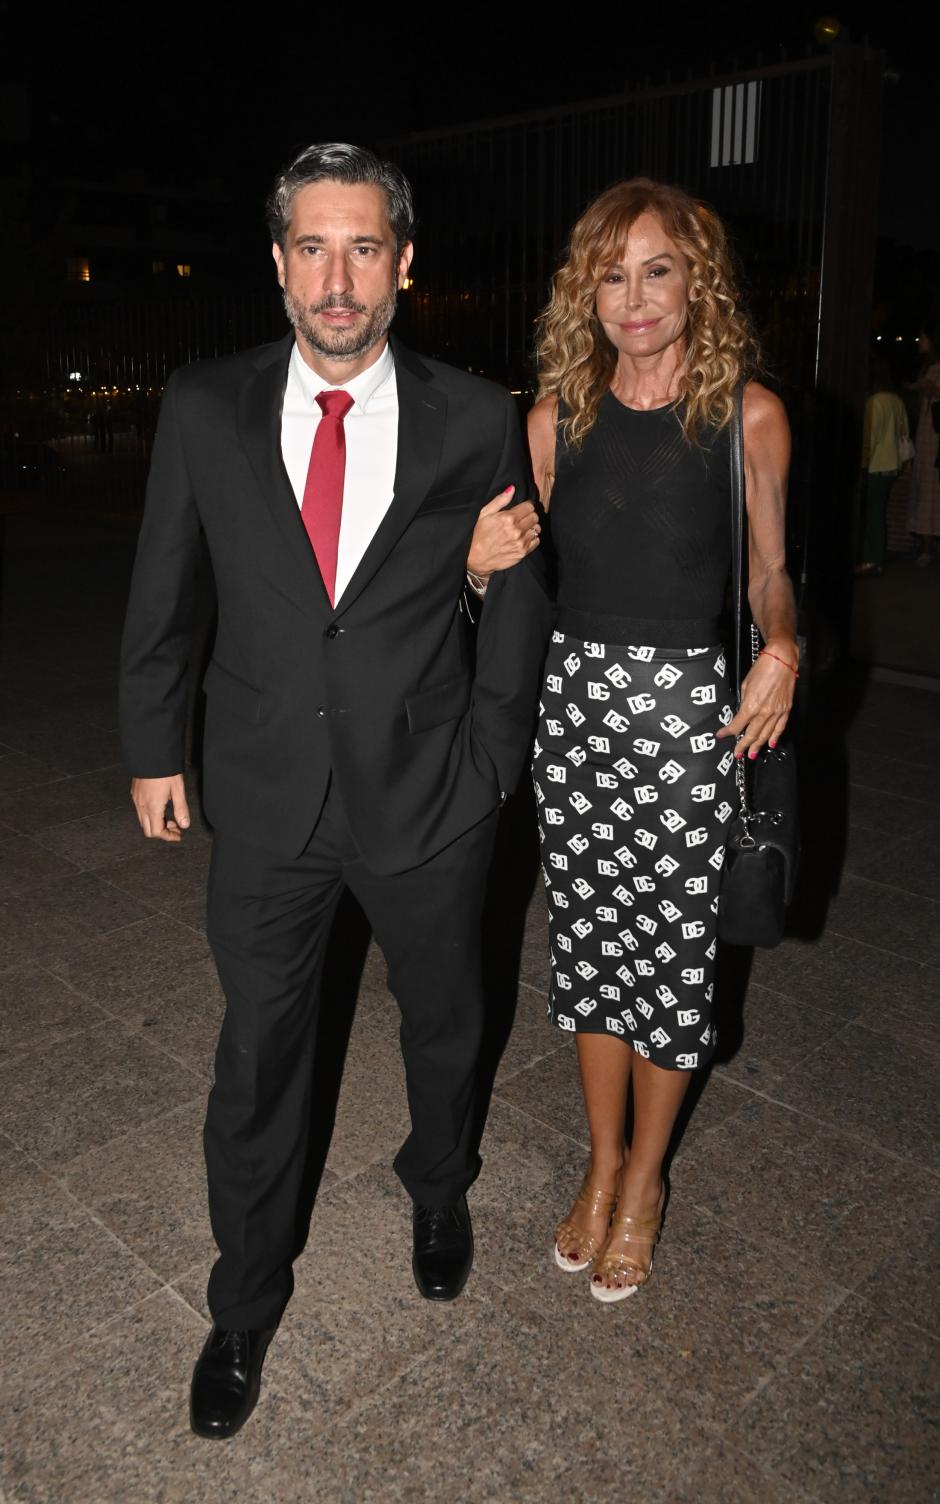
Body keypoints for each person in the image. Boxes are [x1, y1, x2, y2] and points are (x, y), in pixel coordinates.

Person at [119, 142, 550, 1438]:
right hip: (263, 799)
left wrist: (489, 762)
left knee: (445, 1020)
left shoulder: (477, 417)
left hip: (428, 791)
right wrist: (153, 744)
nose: (338, 275)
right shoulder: (204, 405)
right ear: (277, 261)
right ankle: (243, 1303)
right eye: (313, 245)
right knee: (258, 1060)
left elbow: (518, 592)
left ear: (404, 263)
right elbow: (165, 588)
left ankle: (438, 1184)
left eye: (364, 246)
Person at [525, 178, 798, 1300]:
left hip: (692, 719)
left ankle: (646, 1181)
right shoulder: (551, 419)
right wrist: (469, 565)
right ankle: (598, 1164)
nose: (632, 298)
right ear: (584, 291)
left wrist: (782, 647)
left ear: (698, 283)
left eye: (657, 271)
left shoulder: (748, 413)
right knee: (590, 962)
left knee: (672, 968)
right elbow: (516, 579)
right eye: (611, 273)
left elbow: (772, 571)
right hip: (574, 712)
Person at [856, 360, 912, 576]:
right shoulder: (896, 401)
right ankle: (875, 557)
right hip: (892, 465)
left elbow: (871, 436)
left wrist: (862, 463)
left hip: (875, 465)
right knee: (878, 511)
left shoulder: (875, 402)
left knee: (872, 513)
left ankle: (871, 559)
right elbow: (904, 431)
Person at [907, 325, 940, 565]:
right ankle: (924, 543)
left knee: (930, 486)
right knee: (926, 485)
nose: (919, 341)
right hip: (927, 432)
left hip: (934, 434)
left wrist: (925, 387)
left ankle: (927, 546)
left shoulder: (936, 368)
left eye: (923, 337)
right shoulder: (928, 367)